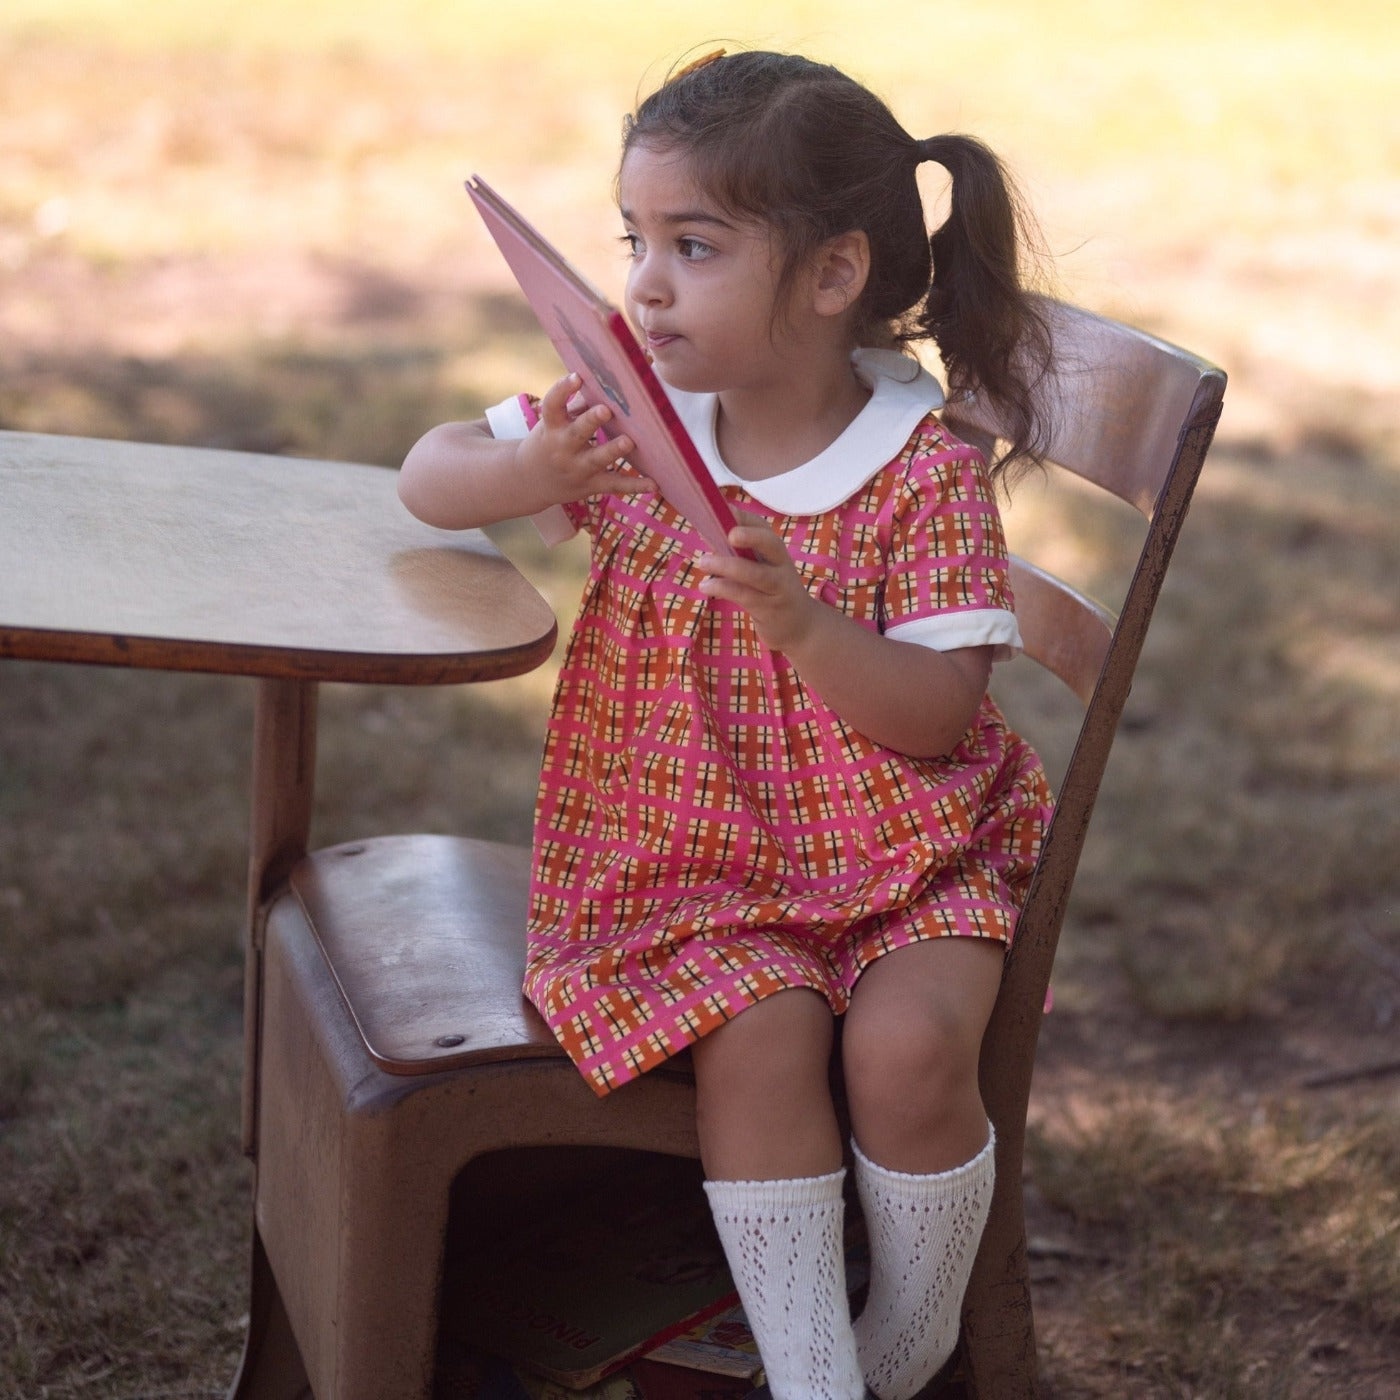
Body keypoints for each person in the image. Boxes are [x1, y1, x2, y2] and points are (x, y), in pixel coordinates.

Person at [399, 49, 1055, 1400]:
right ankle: (814, 1378)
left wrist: (808, 626)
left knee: (909, 1047)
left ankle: (908, 1343)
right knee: (757, 1041)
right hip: (692, 867)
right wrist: (529, 467)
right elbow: (426, 477)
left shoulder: (919, 476)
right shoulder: (635, 420)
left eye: (691, 246)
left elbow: (939, 716)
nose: (643, 283)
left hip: (911, 855)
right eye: (634, 240)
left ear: (830, 277)